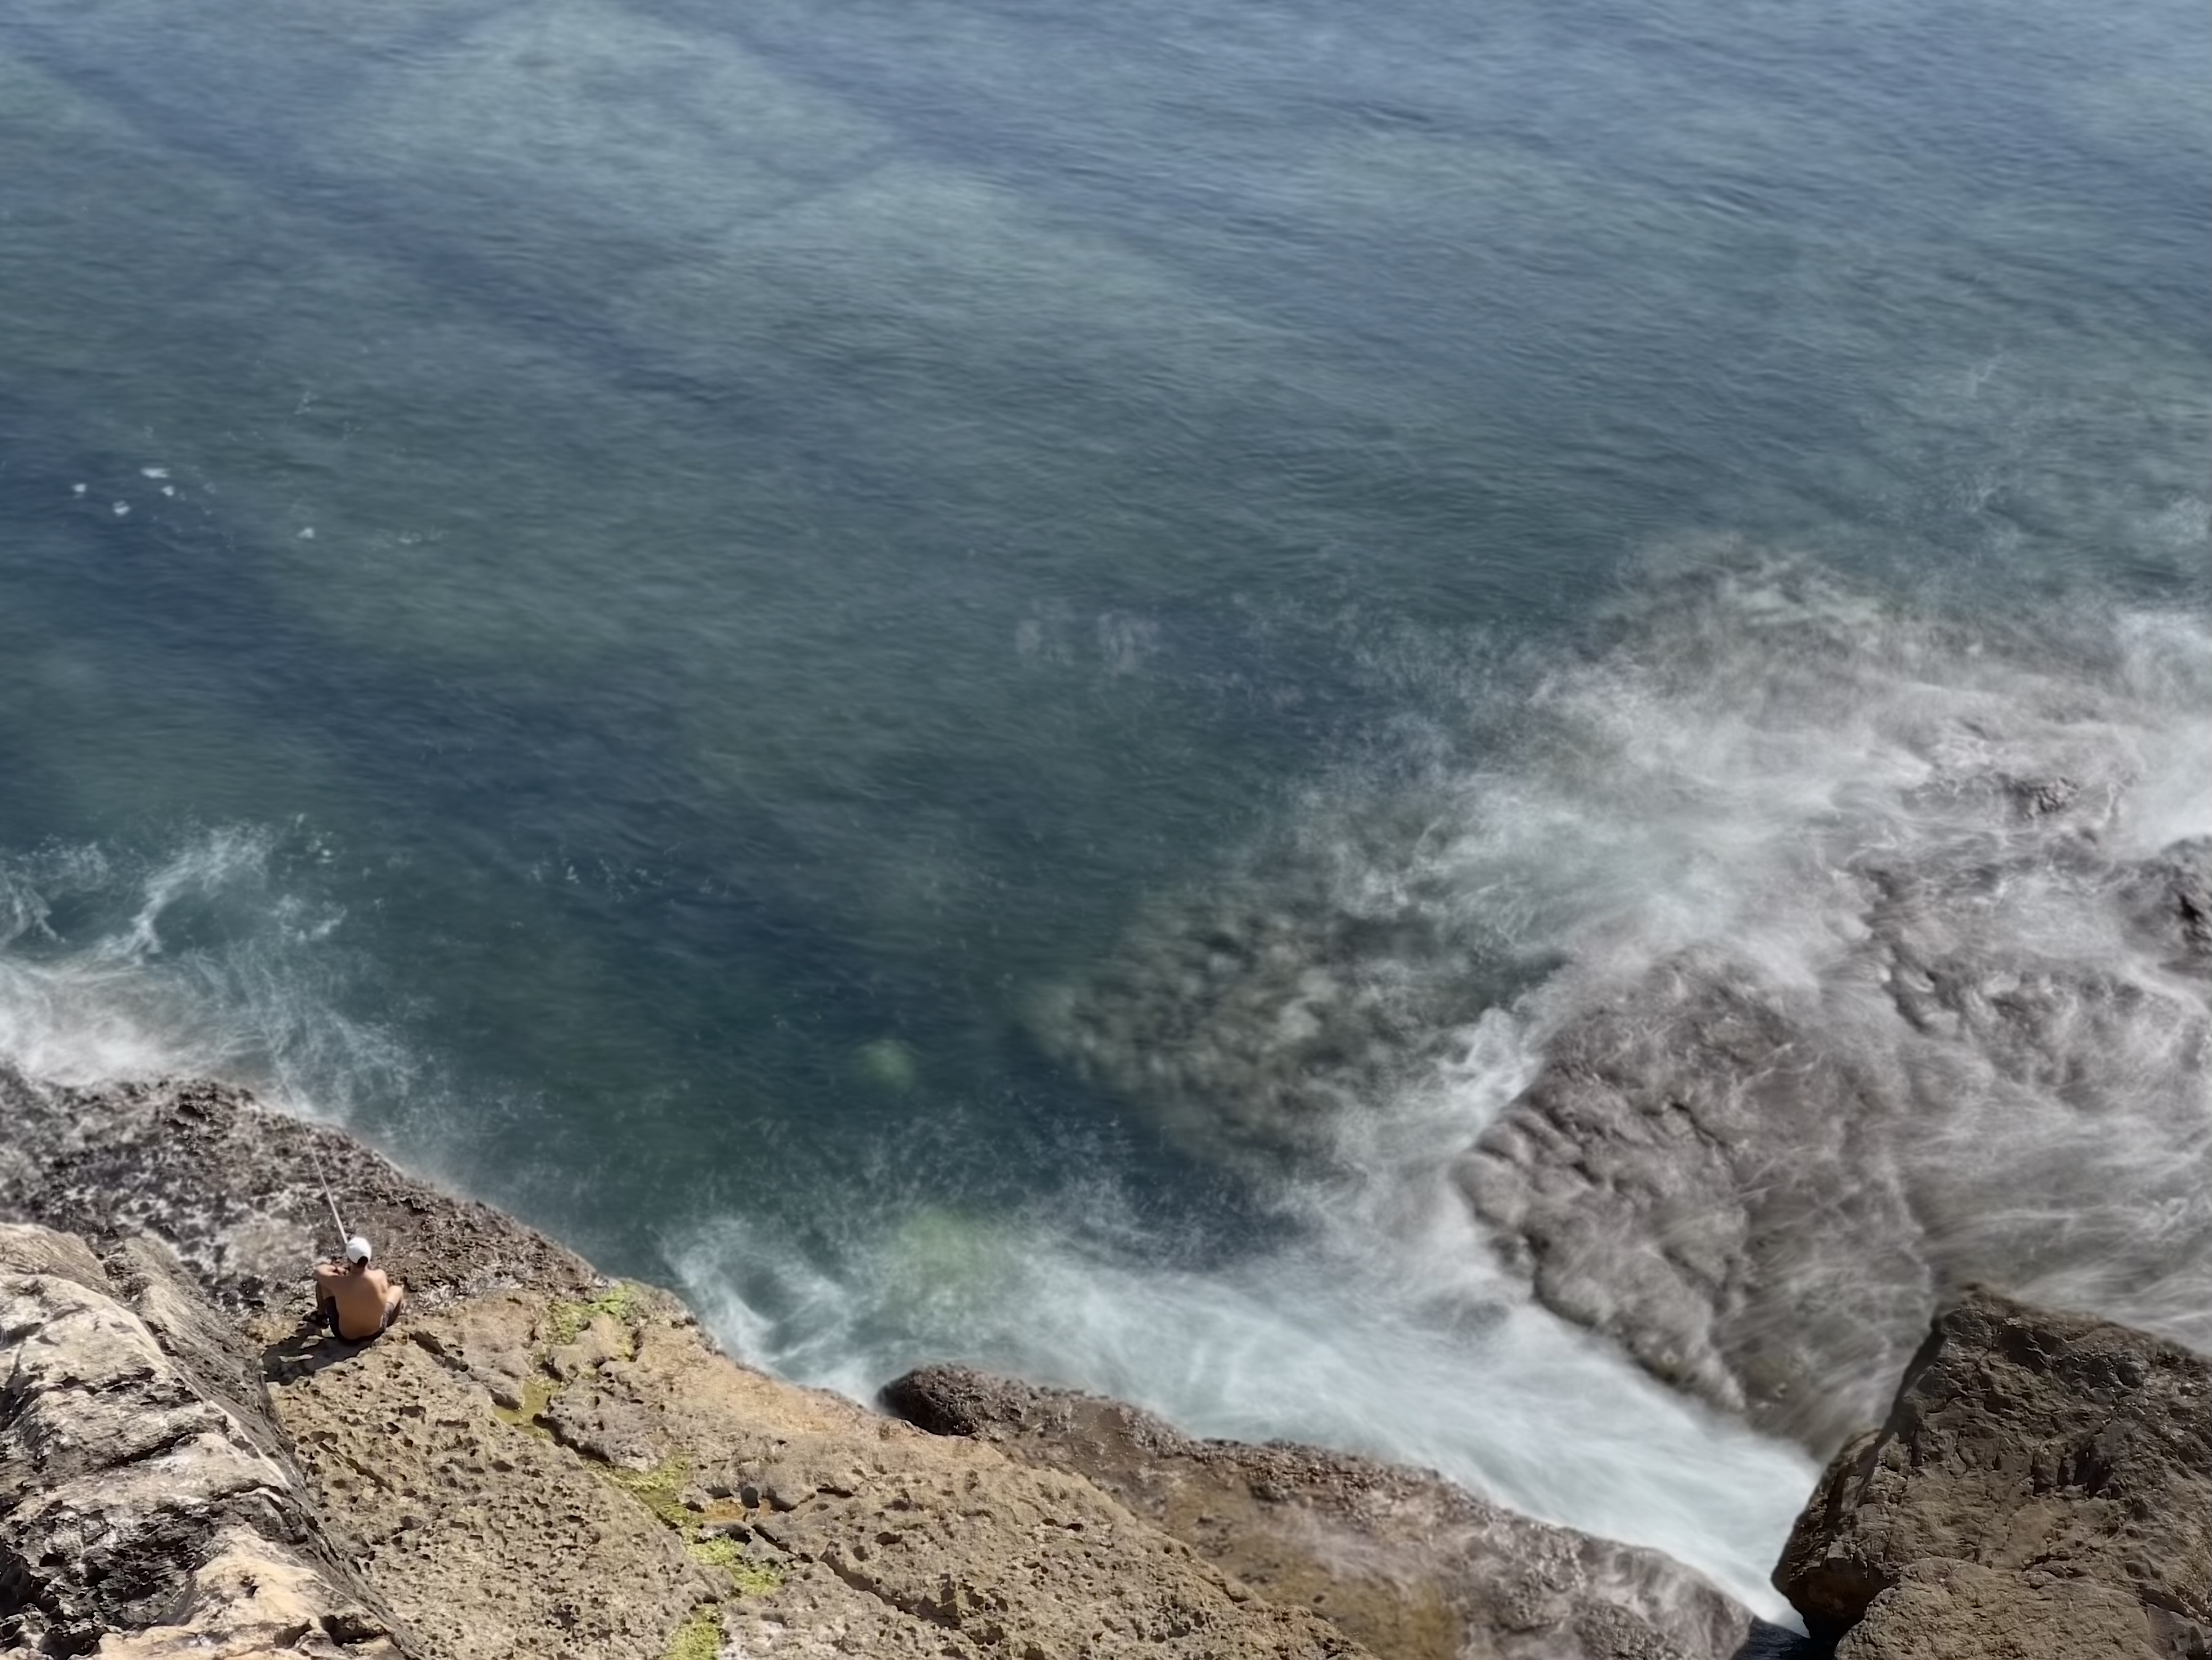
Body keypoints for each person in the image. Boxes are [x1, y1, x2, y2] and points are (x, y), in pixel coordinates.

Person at [314, 1235, 406, 1341]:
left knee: (322, 1284)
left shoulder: (339, 1283)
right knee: (397, 1290)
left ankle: (321, 1316)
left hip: (347, 1338)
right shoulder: (380, 1275)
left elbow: (319, 1270)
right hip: (376, 1331)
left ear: (349, 1259)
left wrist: (337, 1269)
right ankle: (389, 1325)